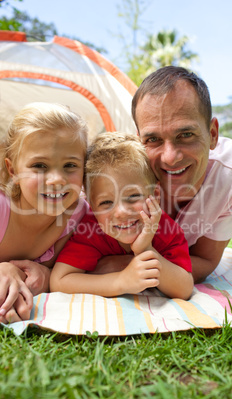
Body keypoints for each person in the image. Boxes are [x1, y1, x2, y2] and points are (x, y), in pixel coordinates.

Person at [131, 66, 232, 283]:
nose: (170, 158)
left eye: (185, 134)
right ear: (138, 141)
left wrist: (124, 266)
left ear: (213, 134)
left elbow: (204, 260)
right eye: (153, 139)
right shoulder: (124, 170)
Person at [50, 132, 193, 299]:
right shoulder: (90, 230)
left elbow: (184, 289)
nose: (121, 212)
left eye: (132, 197)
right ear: (91, 205)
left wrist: (144, 249)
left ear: (154, 194)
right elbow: (59, 281)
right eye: (105, 203)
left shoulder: (166, 230)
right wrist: (120, 281)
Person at [0, 102, 89, 324]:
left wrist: (45, 275)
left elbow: (66, 270)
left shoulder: (77, 215)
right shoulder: (3, 209)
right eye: (39, 165)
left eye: (70, 165)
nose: (57, 179)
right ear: (12, 170)